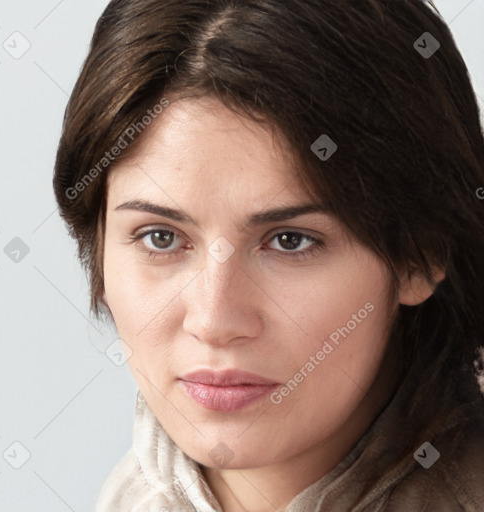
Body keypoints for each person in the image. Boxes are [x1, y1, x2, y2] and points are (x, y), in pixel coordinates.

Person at [53, 0, 484, 510]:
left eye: (290, 240)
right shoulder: (132, 494)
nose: (214, 321)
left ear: (419, 251)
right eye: (161, 237)